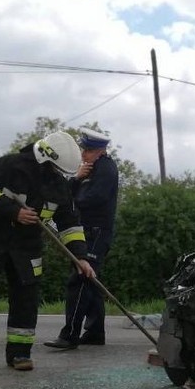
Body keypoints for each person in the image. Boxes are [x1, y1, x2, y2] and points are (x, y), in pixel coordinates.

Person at [0, 131, 96, 373]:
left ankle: (19, 355)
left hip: (26, 250)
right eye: (55, 168)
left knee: (26, 303)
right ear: (46, 158)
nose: (57, 173)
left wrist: (80, 257)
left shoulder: (58, 186)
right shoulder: (9, 166)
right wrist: (12, 211)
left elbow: (70, 223)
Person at [45, 127, 119, 350]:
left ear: (99, 151)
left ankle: (70, 335)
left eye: (87, 150)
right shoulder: (87, 170)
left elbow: (93, 198)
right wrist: (76, 178)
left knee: (80, 280)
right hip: (85, 230)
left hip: (96, 231)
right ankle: (95, 332)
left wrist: (74, 200)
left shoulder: (105, 168)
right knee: (91, 281)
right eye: (83, 149)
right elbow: (65, 192)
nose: (83, 154)